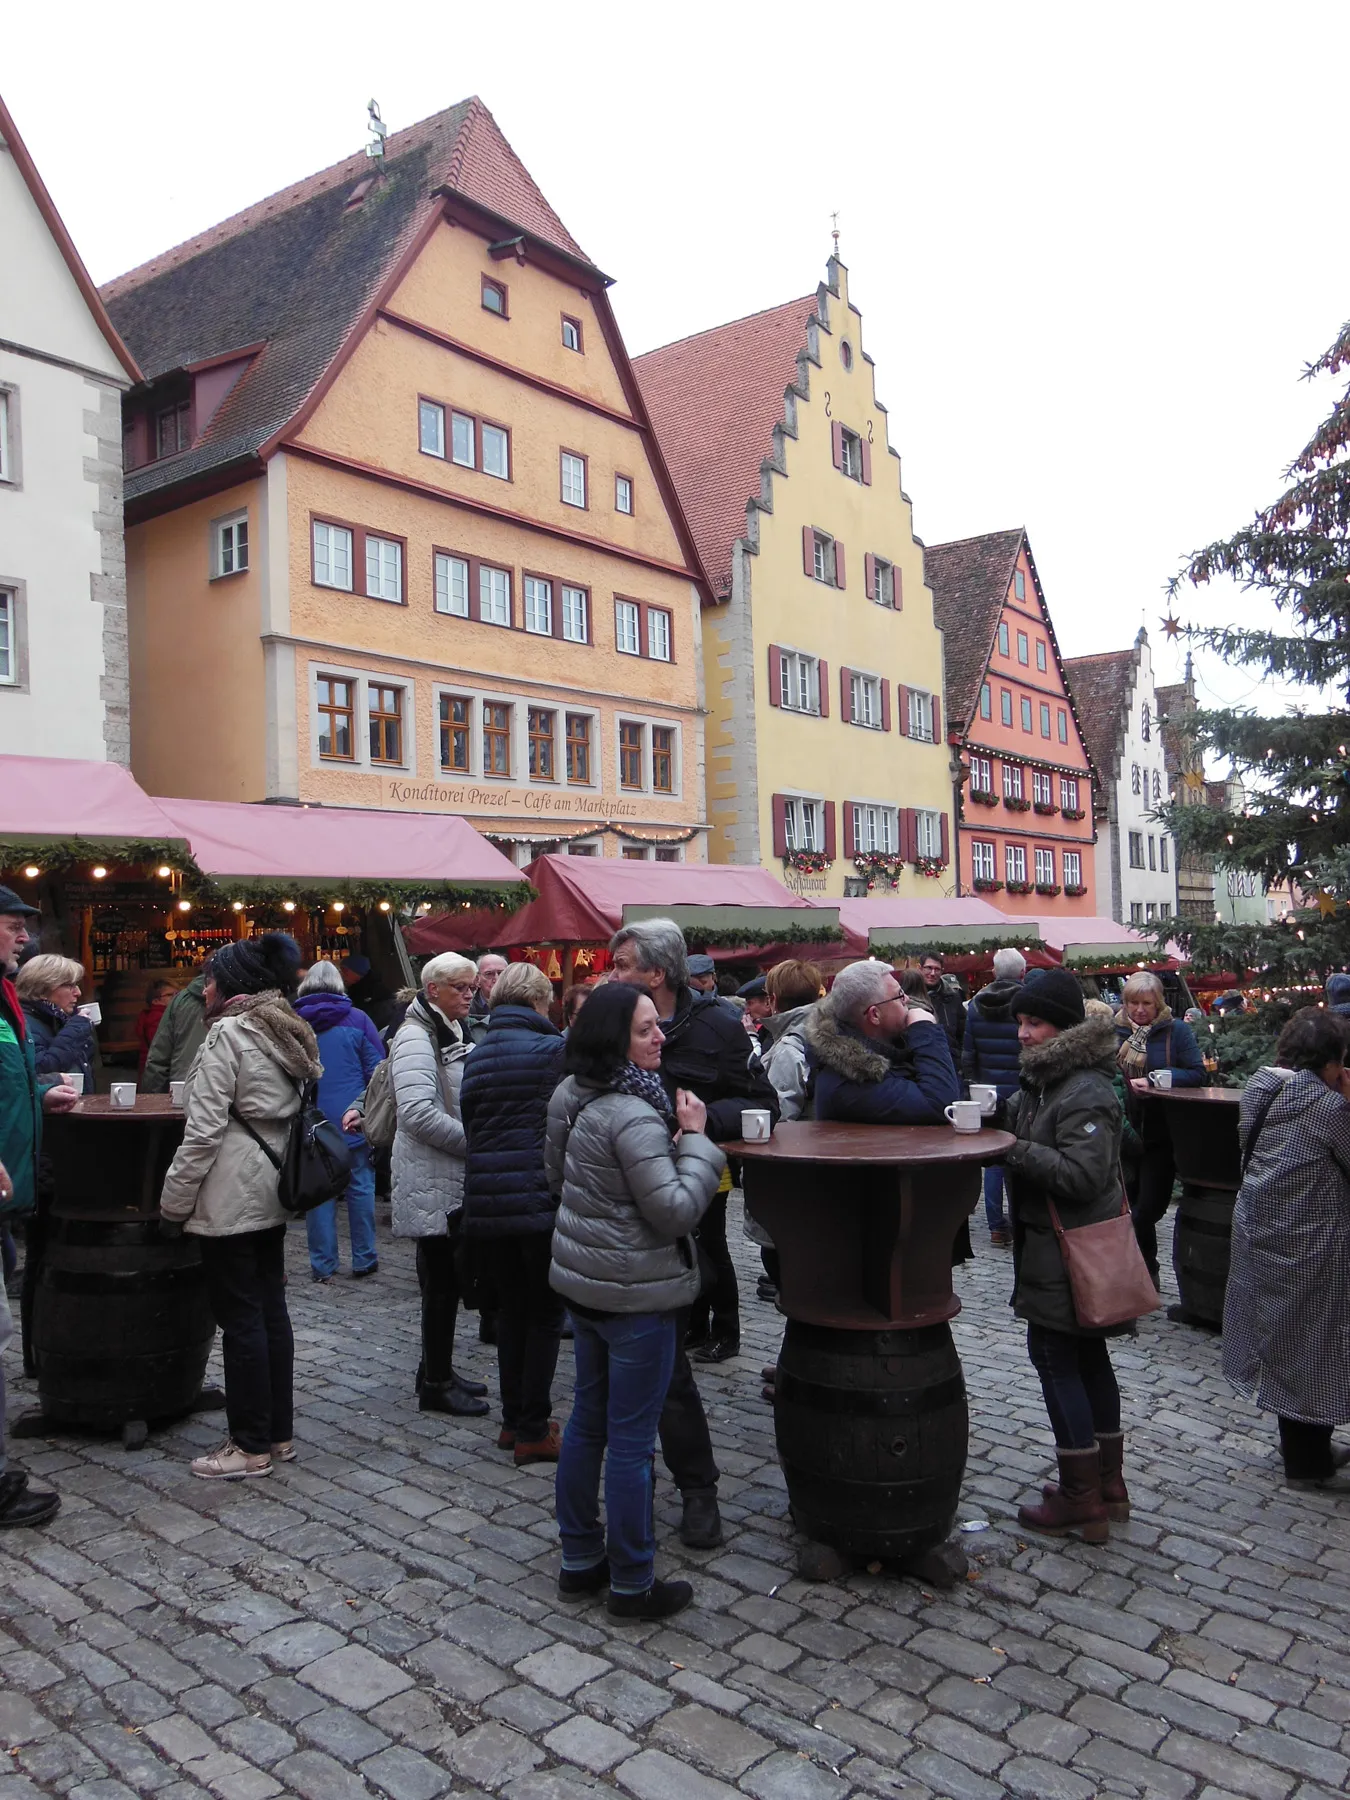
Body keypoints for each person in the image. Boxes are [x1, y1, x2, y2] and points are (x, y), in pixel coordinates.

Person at [546, 982, 724, 1621]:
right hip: (636, 1297)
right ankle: (631, 1580)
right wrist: (696, 1141)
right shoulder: (633, 1113)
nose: (660, 1038)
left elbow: (555, 1176)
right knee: (627, 1440)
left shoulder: (572, 1091)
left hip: (584, 1283)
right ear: (614, 1039)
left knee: (587, 1422)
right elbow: (675, 1211)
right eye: (646, 1029)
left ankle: (578, 1560)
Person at [610, 917, 779, 1547]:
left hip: (691, 1189)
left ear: (658, 973)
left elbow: (764, 1104)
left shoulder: (714, 1024)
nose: (613, 974)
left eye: (624, 964)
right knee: (629, 1371)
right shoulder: (610, 1018)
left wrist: (703, 1125)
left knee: (672, 1350)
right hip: (618, 1209)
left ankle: (696, 1489)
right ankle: (629, 1490)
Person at [159, 933, 315, 1480]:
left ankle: (248, 1444)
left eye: (210, 978)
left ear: (229, 984)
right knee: (270, 1310)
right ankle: (277, 1433)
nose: (204, 988)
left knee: (242, 1317)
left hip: (230, 1189)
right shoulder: (281, 1026)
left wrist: (172, 1204)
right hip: (270, 1183)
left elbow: (202, 1133)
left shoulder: (228, 1031)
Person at [998, 967, 1131, 1542]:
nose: (1023, 1034)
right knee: (1086, 1360)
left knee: (1058, 1360)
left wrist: (1015, 1148)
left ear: (1065, 1027)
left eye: (1035, 1023)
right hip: (1055, 1246)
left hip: (1071, 1249)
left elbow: (1081, 1174)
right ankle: (1105, 1484)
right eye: (1021, 1023)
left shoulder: (1086, 1090)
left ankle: (1082, 1497)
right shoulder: (1051, 1082)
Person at [1222, 1008, 1350, 1488]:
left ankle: (1306, 1445)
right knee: (1316, 1343)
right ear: (1332, 1061)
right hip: (1314, 1237)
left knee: (1281, 1334)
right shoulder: (1328, 1107)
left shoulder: (1260, 1089)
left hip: (1260, 1228)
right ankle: (1308, 1461)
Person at [460, 962, 567, 1465]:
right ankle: (532, 1427)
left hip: (487, 1202)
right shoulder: (552, 1051)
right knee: (543, 1315)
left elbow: (472, 1127)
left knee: (511, 1314)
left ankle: (510, 1420)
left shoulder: (477, 1056)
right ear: (540, 1002)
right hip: (537, 1197)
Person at [0, 887, 73, 1526]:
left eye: (26, 926)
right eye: (12, 926)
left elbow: (18, 1075)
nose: (25, 936)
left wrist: (41, 1093)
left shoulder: (5, 1004)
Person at [389, 952, 488, 1416]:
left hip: (442, 1173)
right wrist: (475, 1145)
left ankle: (437, 1367)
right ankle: (435, 1381)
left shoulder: (444, 1027)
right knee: (442, 1280)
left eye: (473, 988)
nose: (471, 995)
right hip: (431, 1173)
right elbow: (417, 1113)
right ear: (433, 990)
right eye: (461, 988)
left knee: (442, 1279)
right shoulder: (415, 1035)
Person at [293, 961, 384, 1282]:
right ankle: (364, 1257)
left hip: (310, 1119)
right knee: (360, 1186)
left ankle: (322, 1264)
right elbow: (378, 1072)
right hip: (352, 1118)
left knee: (318, 1192)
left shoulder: (293, 1022)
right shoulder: (358, 1019)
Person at [1115, 970, 1205, 1285]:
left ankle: (1144, 1272)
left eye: (1146, 1004)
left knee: (1146, 1210)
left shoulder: (1175, 1032)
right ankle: (1144, 1273)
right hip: (1122, 1132)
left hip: (1159, 1132)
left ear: (1158, 1004)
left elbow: (1196, 1073)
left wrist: (1156, 1079)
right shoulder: (1115, 1032)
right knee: (1128, 1208)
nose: (1139, 1010)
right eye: (1133, 1003)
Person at [805, 959, 960, 1124]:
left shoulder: (890, 1043)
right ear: (874, 1015)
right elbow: (942, 1105)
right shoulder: (849, 1083)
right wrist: (925, 1030)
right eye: (899, 995)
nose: (907, 999)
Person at [962, 947, 1028, 1247]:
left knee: (993, 1160)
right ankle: (1019, 1220)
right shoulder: (1028, 1004)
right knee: (1021, 1153)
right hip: (1022, 1089)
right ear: (1023, 973)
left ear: (994, 972)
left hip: (988, 1091)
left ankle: (996, 1227)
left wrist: (975, 1084)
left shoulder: (976, 1005)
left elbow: (968, 1053)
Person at [15, 955, 96, 1093]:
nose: (78, 992)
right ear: (42, 989)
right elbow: (41, 1068)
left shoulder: (58, 1019)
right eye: (70, 985)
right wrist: (76, 1029)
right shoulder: (24, 1022)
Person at [143, 957, 213, 1093]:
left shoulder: (180, 1001)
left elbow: (157, 1060)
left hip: (182, 1090)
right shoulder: (248, 998)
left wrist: (153, 1101)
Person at [919, 951, 967, 1062]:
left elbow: (963, 1031)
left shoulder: (952, 998)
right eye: (929, 968)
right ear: (920, 968)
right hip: (922, 1062)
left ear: (942, 971)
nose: (932, 973)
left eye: (937, 969)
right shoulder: (910, 997)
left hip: (951, 1061)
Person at [135, 979, 175, 1078]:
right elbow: (162, 1049)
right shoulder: (156, 1018)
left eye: (177, 994)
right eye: (170, 995)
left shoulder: (163, 1015)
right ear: (156, 1001)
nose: (176, 997)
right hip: (157, 1075)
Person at [466, 954, 507, 1043]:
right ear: (477, 980)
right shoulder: (466, 1007)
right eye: (489, 974)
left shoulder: (520, 1004)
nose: (497, 979)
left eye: (501, 973)